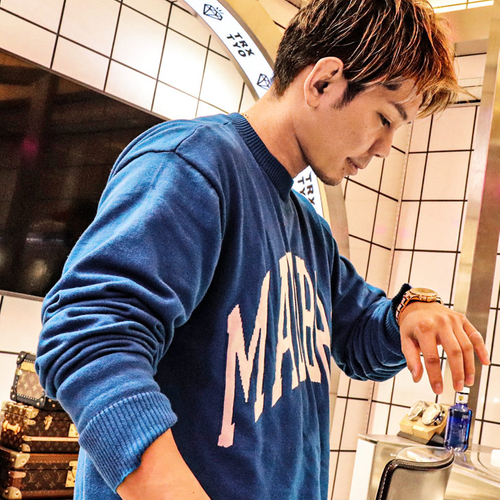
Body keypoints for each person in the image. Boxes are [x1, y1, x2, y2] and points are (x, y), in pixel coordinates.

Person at [36, 0, 490, 499]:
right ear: (323, 82)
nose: (385, 147)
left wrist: (412, 309)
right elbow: (89, 339)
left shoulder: (309, 229)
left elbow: (361, 336)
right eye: (385, 118)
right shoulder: (194, 163)